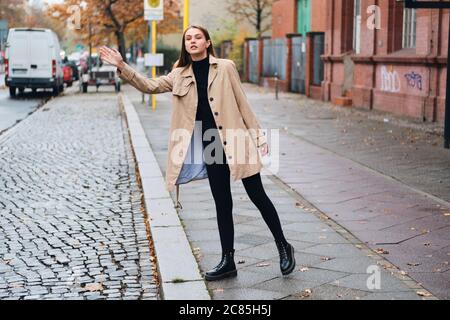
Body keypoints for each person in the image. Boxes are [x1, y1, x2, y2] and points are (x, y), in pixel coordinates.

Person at [99, 25, 295, 281]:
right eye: (188, 38)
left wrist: (258, 136)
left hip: (236, 140)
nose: (192, 41)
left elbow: (242, 103)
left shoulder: (225, 68)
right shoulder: (179, 74)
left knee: (257, 195)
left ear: (207, 42)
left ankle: (283, 245)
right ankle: (228, 261)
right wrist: (123, 66)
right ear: (185, 44)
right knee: (222, 202)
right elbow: (149, 85)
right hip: (211, 144)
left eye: (197, 37)